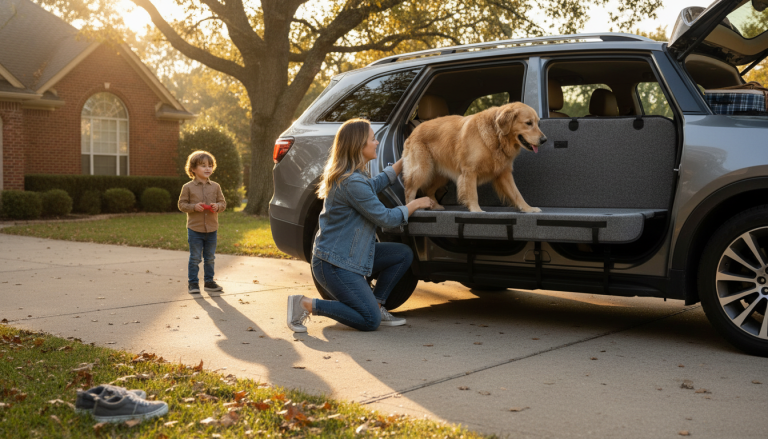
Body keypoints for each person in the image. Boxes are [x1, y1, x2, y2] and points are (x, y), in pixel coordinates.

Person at [287, 118, 433, 332]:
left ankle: (376, 303)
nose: (377, 143)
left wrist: (404, 160)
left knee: (402, 254)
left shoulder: (354, 177)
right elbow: (387, 218)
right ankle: (305, 304)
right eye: (373, 140)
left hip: (352, 256)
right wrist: (414, 204)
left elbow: (375, 185)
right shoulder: (351, 182)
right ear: (358, 146)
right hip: (334, 265)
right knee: (369, 320)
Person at [178, 150, 227, 294]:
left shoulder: (216, 186)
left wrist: (217, 206)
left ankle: (209, 282)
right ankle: (193, 283)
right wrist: (194, 207)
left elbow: (223, 204)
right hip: (195, 230)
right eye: (203, 165)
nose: (208, 168)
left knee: (210, 258)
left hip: (212, 229)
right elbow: (181, 205)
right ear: (193, 169)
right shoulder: (187, 187)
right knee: (195, 258)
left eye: (210, 166)